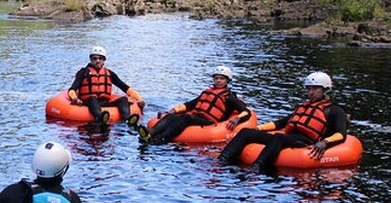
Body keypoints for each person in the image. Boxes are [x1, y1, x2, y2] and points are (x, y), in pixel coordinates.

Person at [218, 72, 349, 173]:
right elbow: (281, 123)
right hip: (287, 138)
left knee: (279, 137)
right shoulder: (305, 106)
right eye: (309, 89)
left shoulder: (335, 110)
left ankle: (256, 168)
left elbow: (341, 133)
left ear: (325, 89)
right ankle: (221, 161)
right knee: (246, 132)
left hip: (305, 141)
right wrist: (258, 129)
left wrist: (324, 142)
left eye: (315, 89)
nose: (310, 93)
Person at [141, 66, 251, 144]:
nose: (218, 81)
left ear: (227, 81)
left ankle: (160, 138)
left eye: (222, 79)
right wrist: (174, 110)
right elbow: (190, 104)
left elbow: (246, 112)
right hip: (197, 117)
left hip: (209, 122)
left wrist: (237, 119)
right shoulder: (208, 92)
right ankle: (150, 132)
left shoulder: (229, 97)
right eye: (216, 78)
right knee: (172, 116)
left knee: (187, 117)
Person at [67, 45, 146, 131]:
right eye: (95, 58)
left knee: (123, 99)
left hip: (104, 102)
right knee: (92, 98)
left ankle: (127, 119)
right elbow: (72, 89)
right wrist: (75, 99)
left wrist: (139, 99)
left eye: (100, 58)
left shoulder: (109, 73)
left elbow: (124, 87)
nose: (97, 61)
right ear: (90, 59)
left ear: (104, 60)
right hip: (89, 101)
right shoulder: (83, 73)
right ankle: (101, 117)